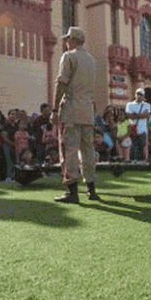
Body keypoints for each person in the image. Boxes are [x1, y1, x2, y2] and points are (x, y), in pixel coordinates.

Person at [51, 27, 98, 203]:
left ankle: (72, 191)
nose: (65, 42)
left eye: (67, 39)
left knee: (69, 151)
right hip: (87, 111)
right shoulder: (91, 60)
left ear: (72, 40)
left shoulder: (68, 56)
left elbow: (61, 84)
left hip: (71, 109)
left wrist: (55, 109)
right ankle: (91, 189)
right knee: (88, 151)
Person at [126, 87, 151, 161]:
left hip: (142, 131)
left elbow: (147, 115)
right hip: (133, 131)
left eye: (141, 94)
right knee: (133, 149)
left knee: (142, 148)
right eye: (138, 94)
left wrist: (135, 114)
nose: (139, 96)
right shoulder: (129, 104)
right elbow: (129, 116)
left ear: (143, 96)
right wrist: (141, 115)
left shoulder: (147, 105)